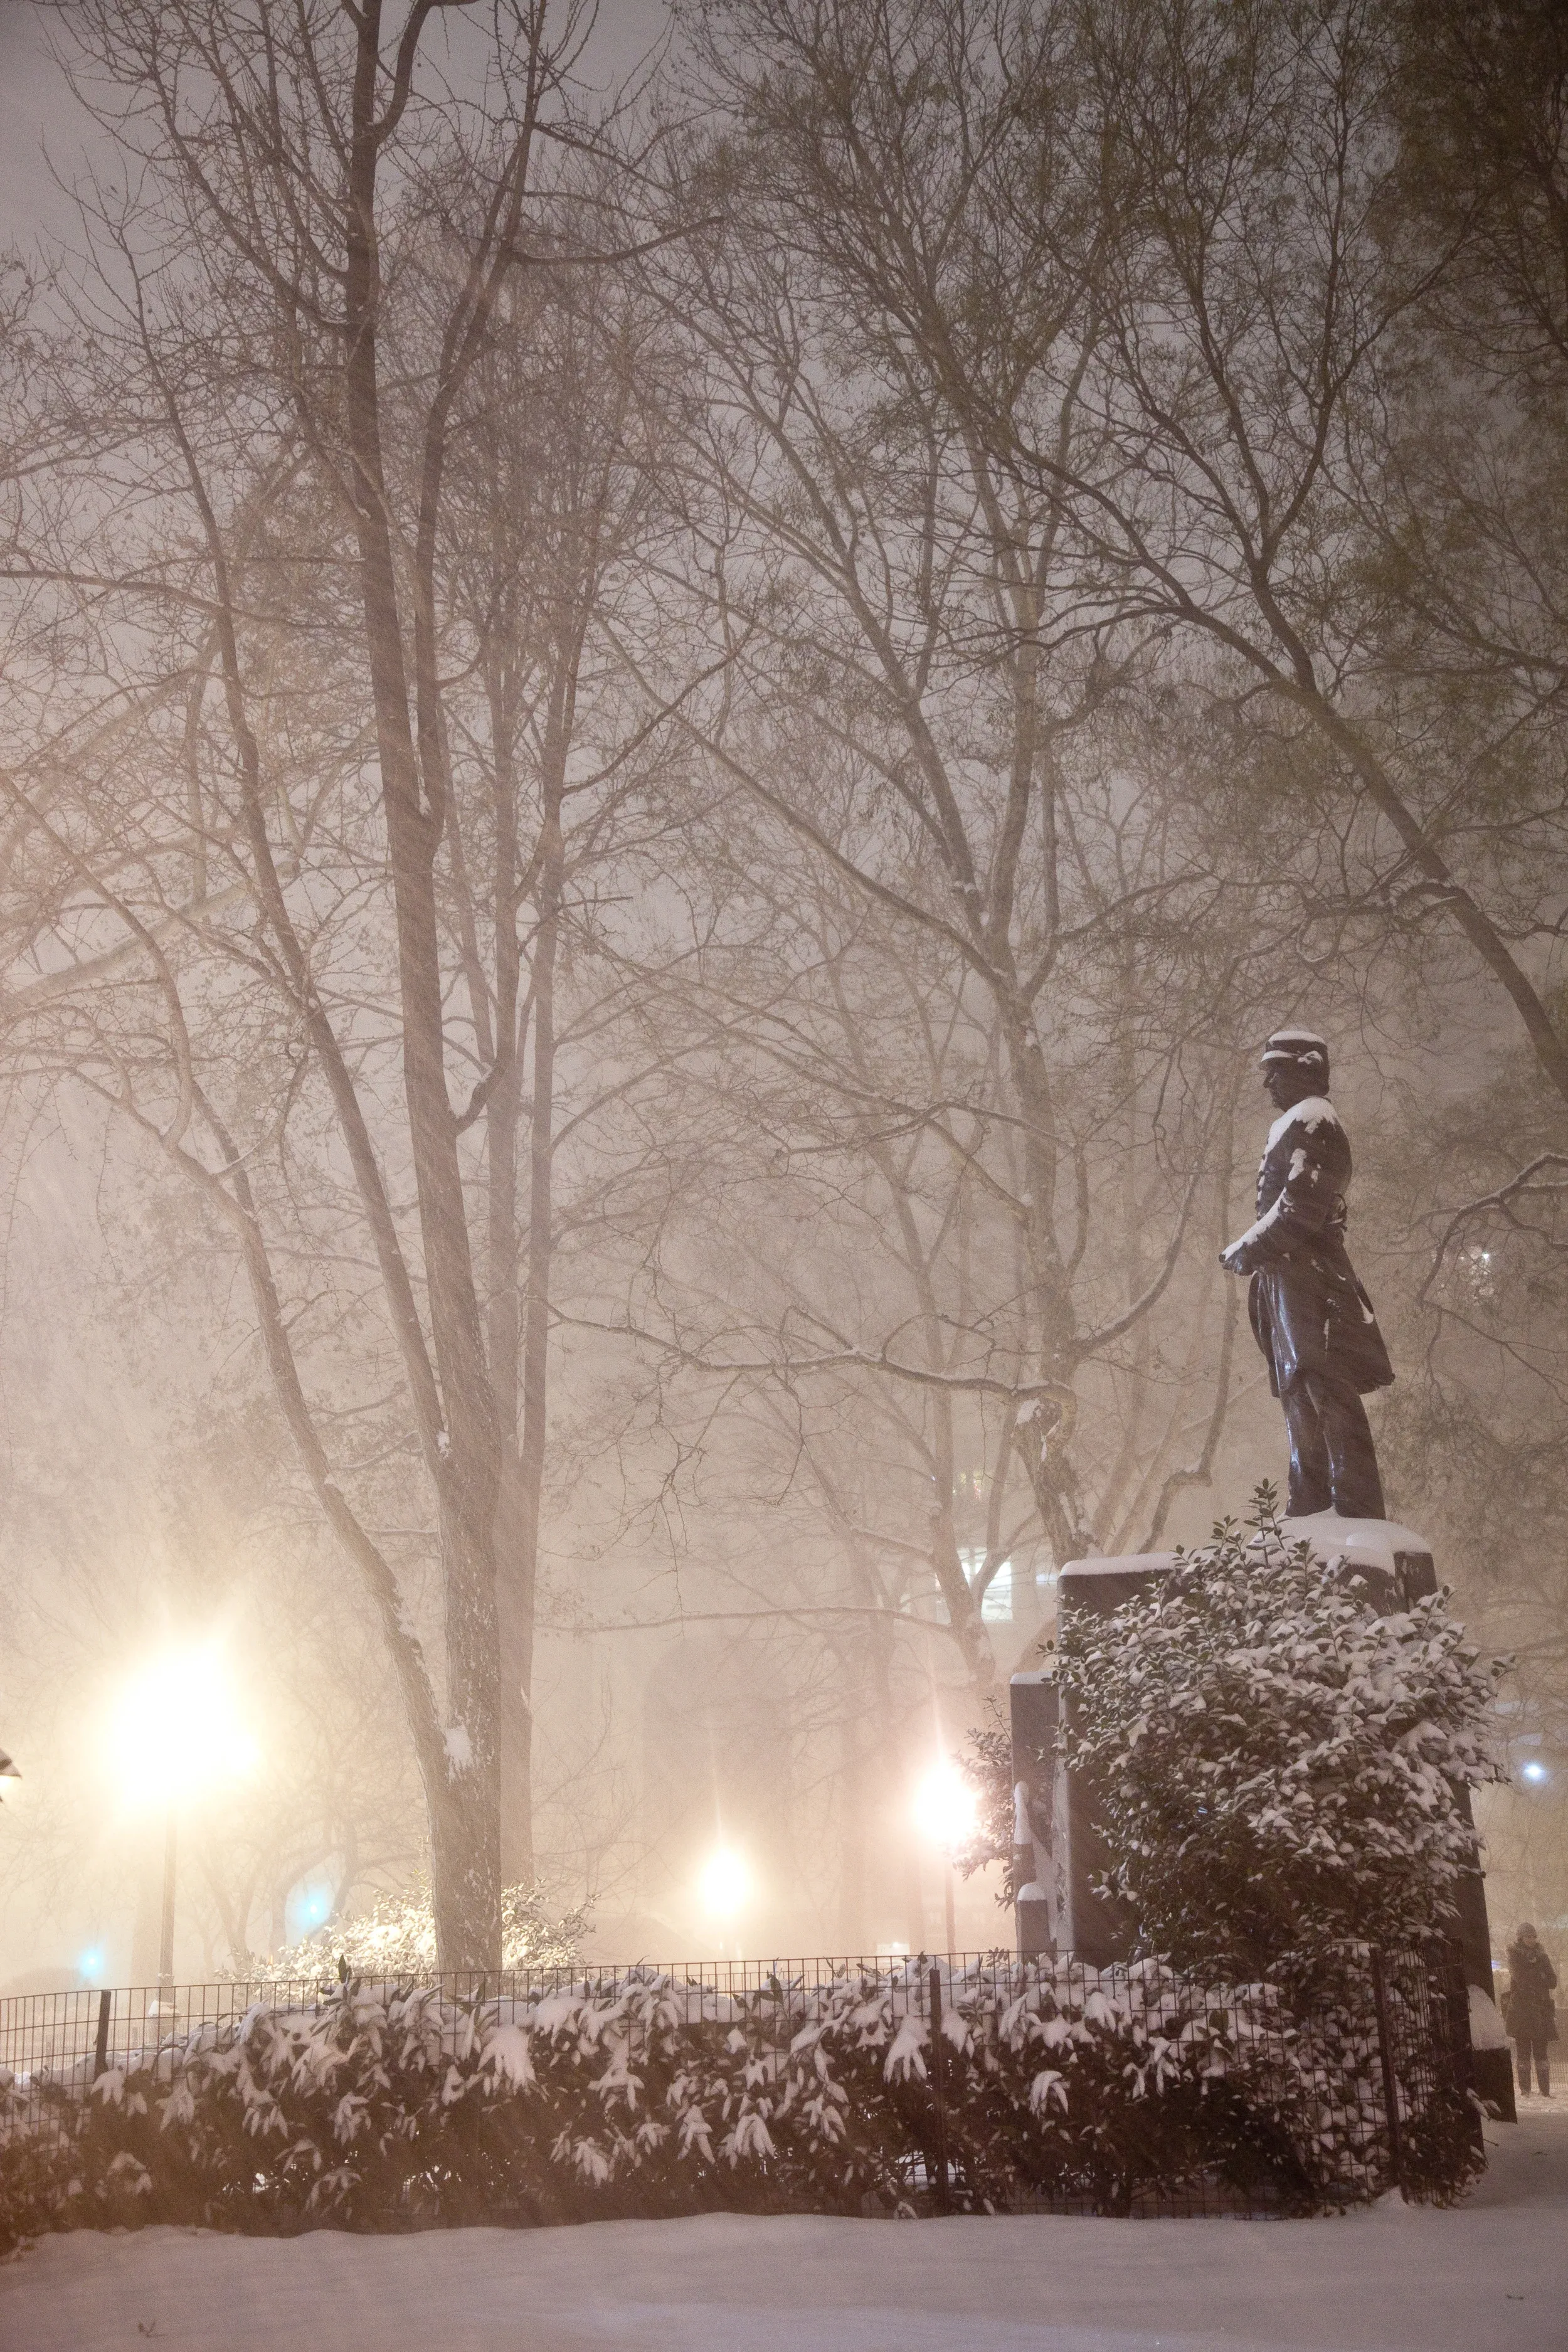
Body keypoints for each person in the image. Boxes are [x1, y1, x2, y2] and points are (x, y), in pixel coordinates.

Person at [1221, 1029, 1394, 1518]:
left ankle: (1352, 1509)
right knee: (1302, 1392)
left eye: (1277, 1069)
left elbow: (1301, 1209)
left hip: (1311, 1281)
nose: (1268, 1082)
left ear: (1308, 1067)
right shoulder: (1296, 1124)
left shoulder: (1314, 1121)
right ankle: (1313, 1506)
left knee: (1323, 1389)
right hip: (1290, 1279)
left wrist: (1247, 1248)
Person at [1503, 1922, 1558, 2096]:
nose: (1532, 1940)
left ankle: (1545, 2091)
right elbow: (1522, 1979)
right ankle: (1525, 2090)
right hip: (1522, 2011)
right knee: (1523, 2053)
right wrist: (1540, 1976)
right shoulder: (1514, 1956)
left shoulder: (1543, 1957)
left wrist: (1539, 1977)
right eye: (1529, 1937)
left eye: (1534, 1936)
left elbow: (1553, 1981)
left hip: (1541, 2011)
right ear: (1521, 1938)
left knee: (1542, 2053)